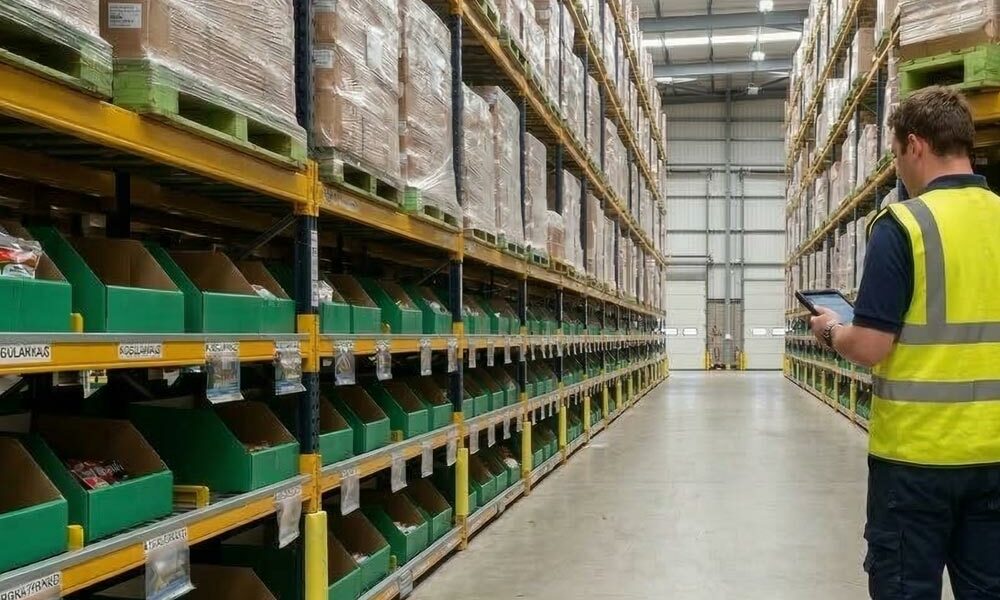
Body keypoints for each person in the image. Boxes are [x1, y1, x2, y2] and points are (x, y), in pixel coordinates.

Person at [809, 85, 1000, 599]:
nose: (897, 168)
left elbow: (871, 346)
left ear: (915, 145)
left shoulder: (903, 226)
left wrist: (830, 329)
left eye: (895, 154)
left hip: (916, 461)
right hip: (994, 456)